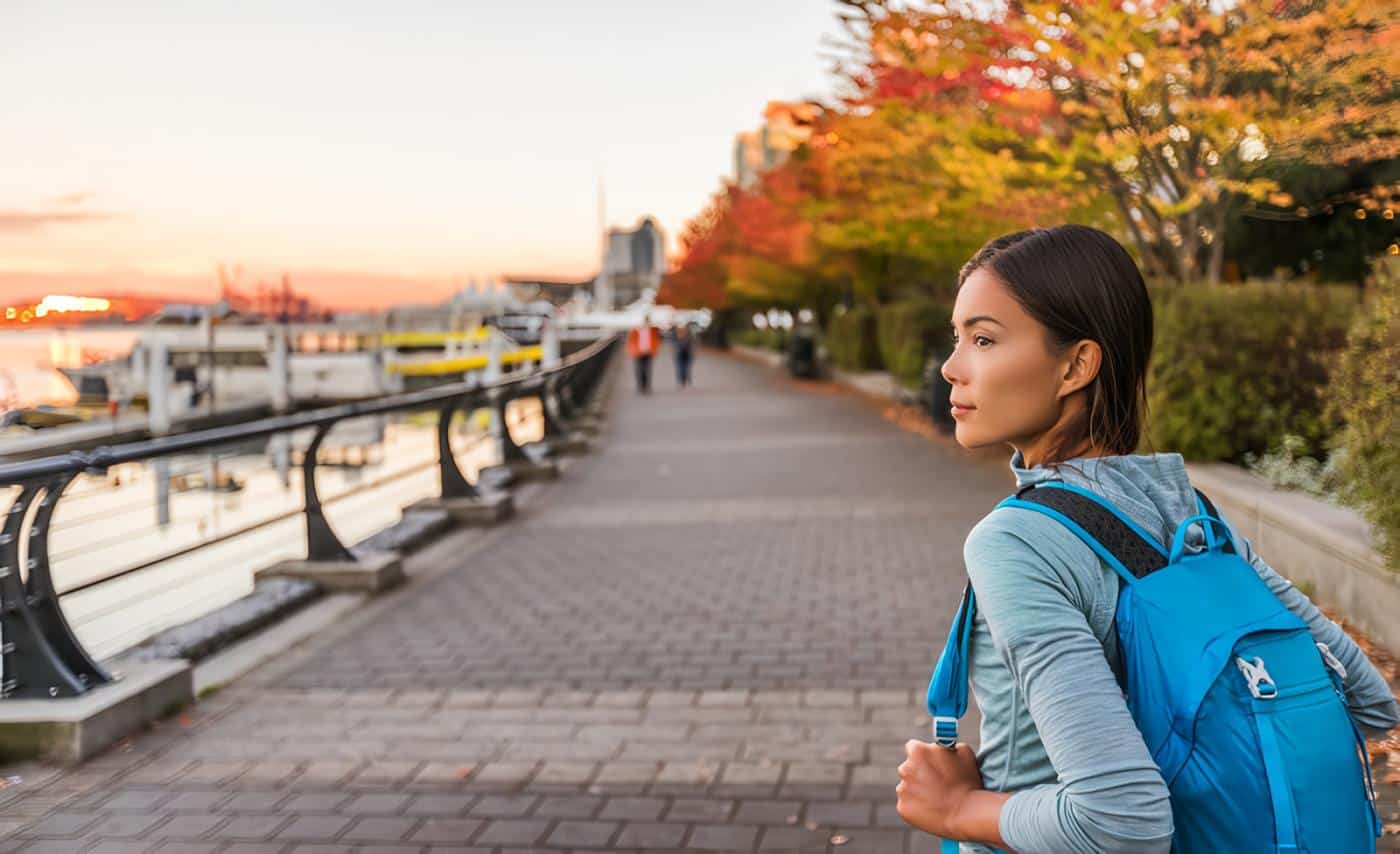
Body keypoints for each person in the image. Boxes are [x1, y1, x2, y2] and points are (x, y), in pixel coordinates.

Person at [894, 225, 1399, 852]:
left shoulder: (1018, 541)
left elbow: (1121, 820)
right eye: (957, 338)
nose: (951, 368)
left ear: (1076, 365)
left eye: (984, 339)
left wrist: (956, 809)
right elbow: (1368, 699)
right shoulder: (1194, 518)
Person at [626, 313, 661, 394]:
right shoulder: (636, 330)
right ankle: (640, 386)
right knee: (639, 369)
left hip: (649, 352)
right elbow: (631, 341)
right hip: (638, 352)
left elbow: (656, 341)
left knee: (647, 369)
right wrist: (632, 350)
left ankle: (646, 386)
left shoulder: (652, 330)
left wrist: (655, 350)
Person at [672, 321, 695, 388]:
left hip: (688, 355)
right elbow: (674, 347)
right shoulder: (676, 337)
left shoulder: (689, 337)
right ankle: (681, 382)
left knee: (686, 369)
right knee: (680, 369)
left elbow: (693, 346)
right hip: (679, 355)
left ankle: (686, 381)